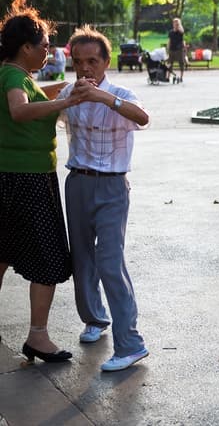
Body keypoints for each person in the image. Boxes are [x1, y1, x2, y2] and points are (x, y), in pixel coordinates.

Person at [57, 26, 151, 371]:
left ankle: (131, 343)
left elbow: (143, 118)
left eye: (92, 61)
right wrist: (70, 98)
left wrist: (103, 98)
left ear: (106, 61)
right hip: (78, 183)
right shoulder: (70, 92)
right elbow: (42, 107)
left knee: (110, 261)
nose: (85, 69)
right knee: (81, 258)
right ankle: (95, 319)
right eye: (78, 62)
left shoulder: (121, 94)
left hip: (112, 186)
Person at [0, 0, 86, 364]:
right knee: (49, 258)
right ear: (25, 48)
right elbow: (19, 110)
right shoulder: (13, 76)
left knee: (2, 252)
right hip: (28, 178)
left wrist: (66, 89)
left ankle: (38, 335)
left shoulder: (11, 73)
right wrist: (63, 104)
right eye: (45, 47)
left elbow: (32, 97)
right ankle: (38, 336)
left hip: (12, 175)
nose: (48, 53)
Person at [168, 18, 186, 83]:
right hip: (172, 49)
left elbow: (182, 31)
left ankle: (181, 77)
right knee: (170, 63)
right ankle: (168, 77)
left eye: (177, 23)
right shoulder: (171, 32)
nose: (175, 24)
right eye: (174, 23)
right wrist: (168, 49)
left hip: (179, 50)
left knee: (181, 63)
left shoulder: (180, 32)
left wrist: (179, 25)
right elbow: (169, 41)